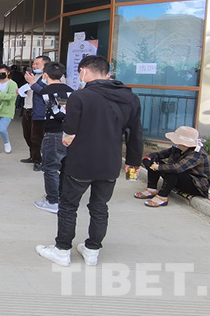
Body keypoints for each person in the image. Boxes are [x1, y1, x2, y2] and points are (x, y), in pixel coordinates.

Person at [36, 55, 142, 267]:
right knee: (99, 206)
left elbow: (70, 127)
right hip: (110, 162)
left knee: (68, 206)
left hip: (81, 161)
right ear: (107, 73)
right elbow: (135, 132)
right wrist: (133, 160)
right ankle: (92, 250)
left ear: (84, 72)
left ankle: (62, 250)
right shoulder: (130, 97)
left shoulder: (81, 96)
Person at [135, 126, 210, 207]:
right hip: (179, 177)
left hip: (195, 184)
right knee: (155, 161)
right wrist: (148, 159)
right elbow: (159, 154)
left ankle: (162, 197)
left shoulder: (197, 154)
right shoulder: (177, 149)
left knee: (172, 171)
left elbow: (177, 168)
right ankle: (151, 189)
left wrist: (157, 167)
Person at [33, 62, 73, 213]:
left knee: (50, 168)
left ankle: (52, 201)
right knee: (65, 168)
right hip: (70, 133)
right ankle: (60, 196)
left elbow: (59, 113)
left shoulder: (47, 91)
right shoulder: (71, 90)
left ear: (45, 75)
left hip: (54, 133)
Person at [23, 56, 51, 169]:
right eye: (33, 64)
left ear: (45, 65)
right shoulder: (34, 76)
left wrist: (33, 83)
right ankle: (33, 156)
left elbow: (46, 92)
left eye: (37, 64)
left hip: (39, 111)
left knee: (37, 138)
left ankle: (39, 160)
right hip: (28, 108)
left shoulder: (49, 77)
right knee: (28, 135)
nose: (34, 66)